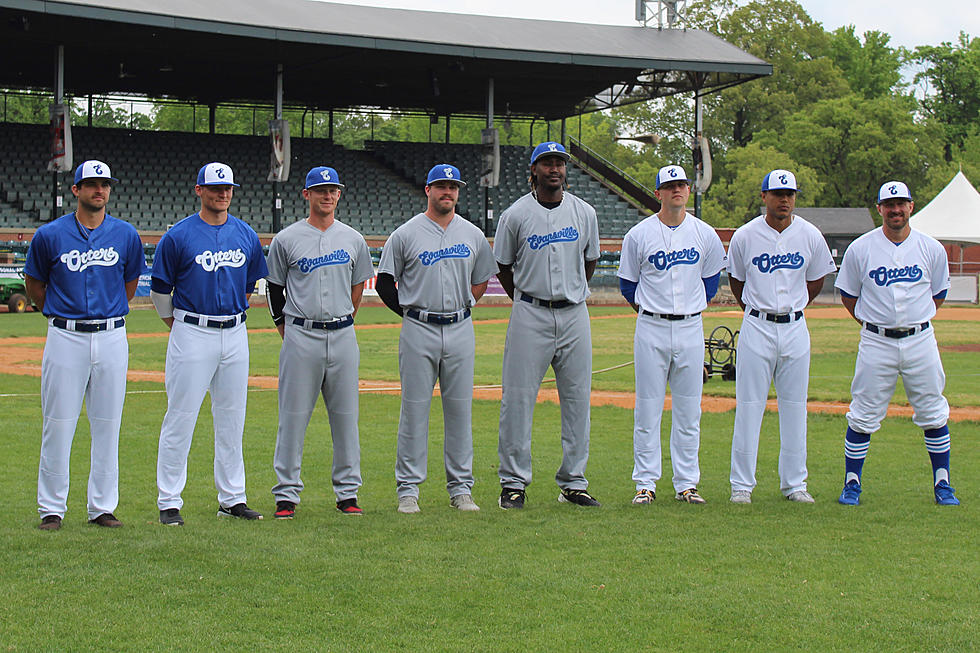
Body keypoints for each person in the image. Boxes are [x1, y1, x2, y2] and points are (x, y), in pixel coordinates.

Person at [25, 160, 145, 530]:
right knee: (58, 423)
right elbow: (35, 287)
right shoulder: (50, 235)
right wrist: (61, 314)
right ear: (75, 189)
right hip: (65, 335)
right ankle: (51, 509)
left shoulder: (125, 234)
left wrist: (109, 313)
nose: (100, 190)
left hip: (111, 334)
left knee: (108, 424)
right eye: (92, 184)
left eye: (105, 183)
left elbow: (129, 283)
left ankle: (102, 506)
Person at [151, 162, 269, 525]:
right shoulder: (179, 235)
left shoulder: (245, 234)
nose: (223, 193)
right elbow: (159, 290)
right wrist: (180, 324)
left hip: (235, 331)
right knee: (181, 416)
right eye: (215, 188)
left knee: (232, 418)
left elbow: (251, 284)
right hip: (192, 329)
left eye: (228, 188)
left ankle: (232, 498)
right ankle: (169, 500)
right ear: (199, 189)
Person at [377, 164, 497, 514]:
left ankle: (461, 489)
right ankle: (408, 490)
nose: (448, 192)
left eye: (453, 187)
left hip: (460, 327)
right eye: (441, 186)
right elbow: (386, 282)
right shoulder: (406, 233)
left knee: (459, 411)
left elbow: (480, 279)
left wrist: (468, 302)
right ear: (427, 189)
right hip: (419, 327)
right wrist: (411, 314)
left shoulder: (472, 234)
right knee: (414, 411)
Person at [834, 181, 959, 506]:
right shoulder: (862, 248)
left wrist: (913, 320)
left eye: (901, 203)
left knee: (933, 410)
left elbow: (938, 294)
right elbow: (849, 295)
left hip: (920, 340)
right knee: (862, 413)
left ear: (911, 206)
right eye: (889, 204)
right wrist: (875, 323)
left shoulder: (930, 248)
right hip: (877, 341)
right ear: (879, 209)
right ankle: (852, 483)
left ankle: (943, 484)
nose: (895, 210)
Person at [493, 141, 601, 510]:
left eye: (560, 162)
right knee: (518, 400)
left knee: (578, 400)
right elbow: (503, 267)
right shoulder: (515, 214)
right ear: (534, 170)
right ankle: (513, 483)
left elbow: (590, 261)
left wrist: (572, 290)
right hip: (530, 313)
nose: (555, 168)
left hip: (574, 313)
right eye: (547, 163)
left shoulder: (584, 212)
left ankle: (573, 481)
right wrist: (527, 299)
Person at [266, 166, 374, 519]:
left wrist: (345, 318)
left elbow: (358, 287)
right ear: (307, 195)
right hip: (301, 334)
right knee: (293, 418)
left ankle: (348, 493)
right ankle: (286, 495)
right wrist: (287, 327)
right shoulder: (287, 238)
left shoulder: (353, 238)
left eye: (333, 190)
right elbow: (275, 289)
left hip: (343, 334)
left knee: (346, 418)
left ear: (339, 195)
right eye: (320, 190)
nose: (327, 196)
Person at [617, 165, 726, 506]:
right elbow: (627, 285)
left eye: (681, 184)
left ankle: (686, 483)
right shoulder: (639, 234)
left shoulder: (704, 233)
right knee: (648, 408)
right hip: (651, 325)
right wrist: (653, 310)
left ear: (689, 191)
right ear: (658, 193)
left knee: (689, 410)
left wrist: (690, 308)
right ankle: (645, 483)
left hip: (691, 326)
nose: (677, 189)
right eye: (670, 185)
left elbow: (711, 281)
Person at [727, 169, 835, 504]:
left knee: (795, 407)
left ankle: (795, 484)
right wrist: (758, 308)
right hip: (757, 324)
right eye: (777, 194)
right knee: (748, 406)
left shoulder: (810, 234)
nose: (784, 200)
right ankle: (741, 486)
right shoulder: (745, 236)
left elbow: (816, 279)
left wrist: (794, 305)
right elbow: (737, 282)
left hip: (795, 326)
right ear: (764, 197)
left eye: (789, 194)